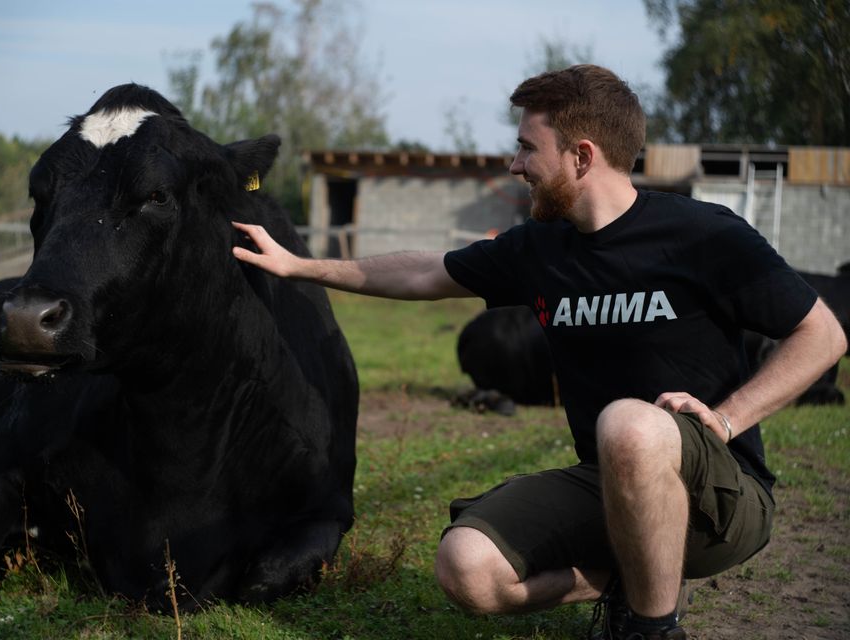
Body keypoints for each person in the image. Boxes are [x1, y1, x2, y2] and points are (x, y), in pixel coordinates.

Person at [231, 65, 846, 639]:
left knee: (630, 423)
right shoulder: (541, 249)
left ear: (581, 156)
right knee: (466, 566)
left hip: (722, 497)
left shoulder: (703, 235)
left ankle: (651, 628)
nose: (515, 162)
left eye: (529, 147)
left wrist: (729, 418)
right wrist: (299, 265)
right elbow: (424, 273)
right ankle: (626, 581)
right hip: (610, 485)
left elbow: (824, 335)